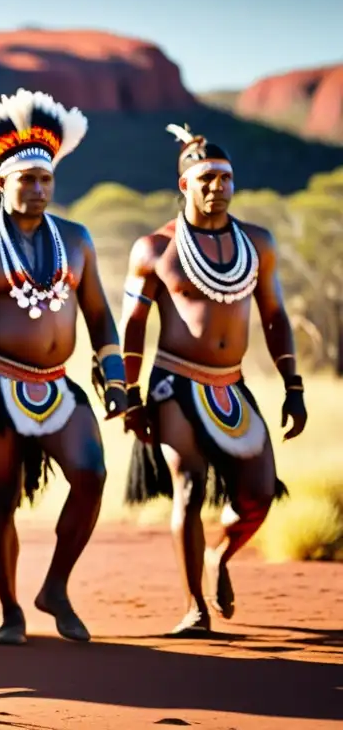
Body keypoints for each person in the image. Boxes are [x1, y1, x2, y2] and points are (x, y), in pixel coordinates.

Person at [0, 89, 128, 644]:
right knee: (3, 501)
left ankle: (56, 588)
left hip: (58, 387)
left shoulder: (77, 240)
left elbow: (99, 315)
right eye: (27, 180)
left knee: (91, 475)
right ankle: (11, 612)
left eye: (46, 179)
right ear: (2, 184)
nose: (39, 188)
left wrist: (113, 376)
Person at [121, 123, 307, 635]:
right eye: (206, 179)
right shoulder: (154, 249)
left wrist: (293, 385)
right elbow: (132, 326)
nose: (217, 187)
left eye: (225, 178)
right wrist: (127, 393)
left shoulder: (258, 243)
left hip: (231, 385)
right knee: (189, 486)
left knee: (259, 496)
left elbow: (275, 317)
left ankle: (219, 557)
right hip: (174, 384)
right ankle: (194, 608)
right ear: (185, 185)